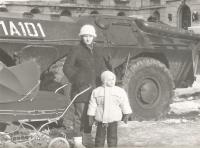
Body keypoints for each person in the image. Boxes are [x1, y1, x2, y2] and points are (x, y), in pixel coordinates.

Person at [62, 24, 107, 148]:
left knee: (91, 114)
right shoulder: (75, 49)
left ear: (93, 37)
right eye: (85, 36)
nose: (87, 38)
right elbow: (67, 67)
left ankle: (87, 138)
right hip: (81, 89)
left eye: (90, 36)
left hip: (95, 89)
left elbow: (102, 67)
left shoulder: (98, 50)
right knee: (80, 115)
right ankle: (77, 140)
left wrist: (106, 76)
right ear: (81, 37)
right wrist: (76, 79)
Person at [87, 70, 132, 147]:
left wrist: (126, 113)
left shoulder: (119, 91)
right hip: (101, 119)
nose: (111, 81)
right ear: (104, 81)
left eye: (113, 79)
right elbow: (92, 104)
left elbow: (124, 102)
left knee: (112, 137)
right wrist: (90, 115)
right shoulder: (97, 91)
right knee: (99, 137)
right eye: (109, 79)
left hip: (113, 119)